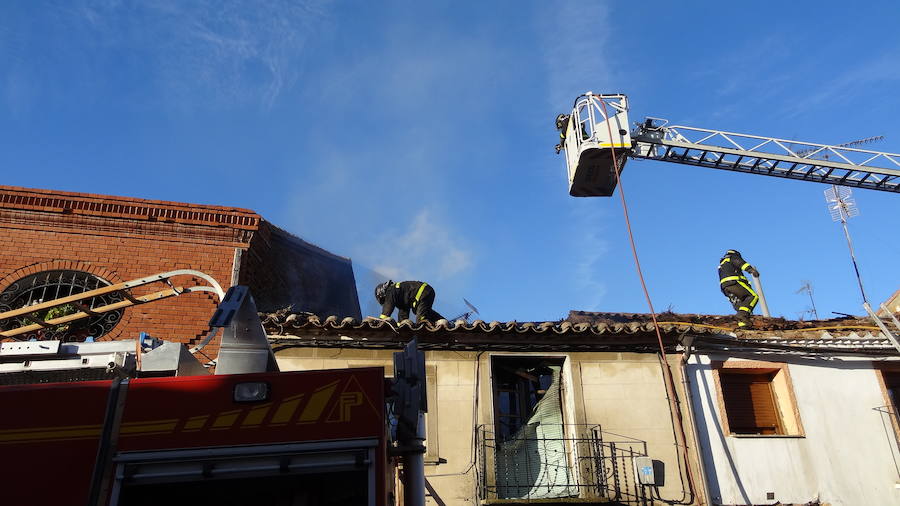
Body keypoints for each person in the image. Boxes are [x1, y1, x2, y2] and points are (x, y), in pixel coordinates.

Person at [718, 249, 760, 328]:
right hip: (735, 283)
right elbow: (741, 263)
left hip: (725, 288)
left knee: (740, 305)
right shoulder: (732, 257)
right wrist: (752, 270)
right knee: (753, 296)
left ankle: (743, 324)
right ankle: (741, 316)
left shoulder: (722, 264)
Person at [374, 280, 445, 323]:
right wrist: (401, 326)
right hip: (426, 292)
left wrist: (380, 321)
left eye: (384, 300)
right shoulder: (400, 297)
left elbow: (387, 309)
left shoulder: (390, 290)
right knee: (426, 313)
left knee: (420, 322)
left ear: (382, 293)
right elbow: (403, 314)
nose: (386, 301)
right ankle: (443, 322)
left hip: (423, 293)